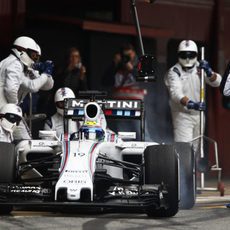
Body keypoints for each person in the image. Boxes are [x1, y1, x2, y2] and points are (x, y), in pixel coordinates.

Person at [164, 40, 221, 143]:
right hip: (182, 115)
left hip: (199, 114)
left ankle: (195, 159)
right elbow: (176, 94)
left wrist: (209, 73)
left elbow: (217, 82)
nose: (187, 58)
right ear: (178, 55)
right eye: (184, 55)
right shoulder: (174, 72)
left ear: (196, 55)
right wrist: (191, 104)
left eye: (190, 55)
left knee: (197, 150)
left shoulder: (201, 68)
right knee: (184, 148)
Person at [0, 36, 54, 140]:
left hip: (9, 113)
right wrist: (15, 107)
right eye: (33, 55)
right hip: (4, 113)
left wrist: (44, 73)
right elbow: (13, 89)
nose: (34, 60)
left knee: (25, 144)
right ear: (21, 50)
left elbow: (48, 86)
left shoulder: (23, 67)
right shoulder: (14, 63)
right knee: (8, 145)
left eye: (37, 57)